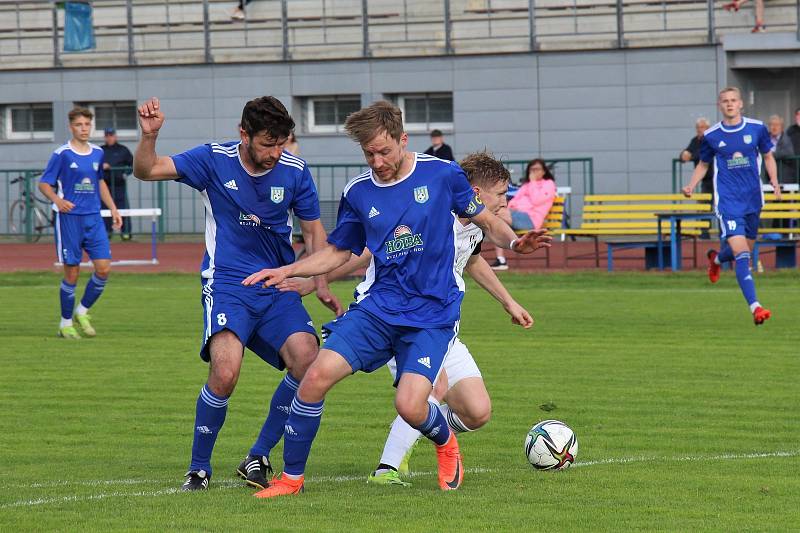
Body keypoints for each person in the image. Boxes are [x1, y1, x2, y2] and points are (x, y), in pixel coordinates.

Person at [242, 101, 550, 498]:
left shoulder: (442, 175)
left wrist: (514, 240)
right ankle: (291, 480)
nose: (377, 160)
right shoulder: (358, 191)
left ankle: (444, 442)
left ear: (403, 141)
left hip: (431, 316)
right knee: (315, 376)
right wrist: (289, 271)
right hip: (378, 309)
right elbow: (340, 252)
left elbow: (485, 220)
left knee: (411, 404)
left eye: (384, 151)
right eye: (369, 153)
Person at [133, 95, 342, 491]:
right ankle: (198, 467)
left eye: (282, 143)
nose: (276, 153)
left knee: (307, 358)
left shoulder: (295, 171)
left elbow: (314, 231)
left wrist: (317, 281)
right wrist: (151, 137)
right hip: (227, 283)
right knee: (225, 372)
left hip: (275, 285)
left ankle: (257, 455)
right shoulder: (213, 159)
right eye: (267, 143)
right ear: (243, 134)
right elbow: (147, 170)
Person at [682, 87, 781, 325]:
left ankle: (716, 260)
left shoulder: (756, 129)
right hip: (728, 201)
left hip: (753, 199)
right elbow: (704, 164)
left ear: (740, 104)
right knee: (743, 255)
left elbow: (768, 156)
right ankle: (756, 307)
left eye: (733, 100)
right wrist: (691, 185)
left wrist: (775, 182)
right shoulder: (712, 135)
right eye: (725, 101)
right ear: (720, 105)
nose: (729, 104)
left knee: (743, 248)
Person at [38, 107, 122, 340]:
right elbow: (44, 184)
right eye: (79, 125)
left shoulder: (97, 153)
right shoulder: (61, 154)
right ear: (71, 127)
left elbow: (100, 183)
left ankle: (82, 311)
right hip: (69, 220)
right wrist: (58, 200)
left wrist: (113, 208)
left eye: (87, 124)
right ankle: (65, 324)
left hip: (94, 217)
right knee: (72, 273)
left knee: (104, 268)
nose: (84, 129)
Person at [491, 158, 556, 270]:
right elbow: (513, 202)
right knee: (497, 217)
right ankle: (501, 260)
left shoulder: (548, 184)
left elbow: (537, 200)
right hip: (513, 215)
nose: (534, 172)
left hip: (531, 219)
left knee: (495, 217)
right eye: (532, 169)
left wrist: (533, 182)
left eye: (537, 169)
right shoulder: (526, 185)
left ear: (544, 171)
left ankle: (500, 259)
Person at [101, 127, 134, 240]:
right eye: (107, 136)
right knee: (104, 209)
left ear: (115, 136)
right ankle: (106, 233)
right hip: (104, 185)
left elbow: (133, 164)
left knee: (123, 208)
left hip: (119, 185)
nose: (109, 138)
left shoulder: (123, 150)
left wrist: (125, 173)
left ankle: (126, 233)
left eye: (111, 135)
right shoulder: (100, 150)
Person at [767, 115, 796, 183]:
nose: (774, 127)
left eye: (777, 125)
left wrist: (771, 154)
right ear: (769, 127)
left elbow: (789, 153)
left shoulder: (786, 139)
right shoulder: (765, 139)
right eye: (772, 125)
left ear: (782, 127)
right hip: (767, 177)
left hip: (783, 178)